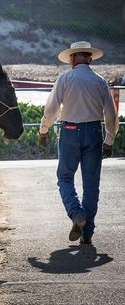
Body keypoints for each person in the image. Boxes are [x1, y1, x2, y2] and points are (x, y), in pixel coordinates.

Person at [38, 41, 119, 245]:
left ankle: (76, 214)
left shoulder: (65, 78)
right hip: (94, 132)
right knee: (91, 184)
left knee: (65, 177)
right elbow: (111, 115)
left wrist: (43, 130)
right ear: (89, 59)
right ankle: (87, 233)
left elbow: (52, 110)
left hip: (70, 131)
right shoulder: (100, 81)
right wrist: (109, 140)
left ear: (73, 58)